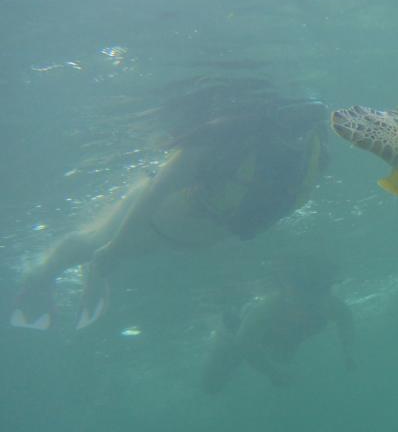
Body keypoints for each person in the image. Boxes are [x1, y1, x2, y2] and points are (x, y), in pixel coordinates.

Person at [11, 79, 329, 330]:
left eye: (308, 121)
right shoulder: (224, 139)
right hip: (154, 223)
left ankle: (87, 270)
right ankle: (36, 279)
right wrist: (114, 248)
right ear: (269, 115)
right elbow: (155, 191)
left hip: (185, 236)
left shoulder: (309, 157)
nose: (297, 132)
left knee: (103, 251)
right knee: (90, 242)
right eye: (291, 119)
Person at [201, 256, 354, 394]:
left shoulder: (329, 304)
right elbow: (243, 344)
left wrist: (348, 353)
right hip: (233, 333)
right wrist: (273, 373)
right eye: (306, 291)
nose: (310, 299)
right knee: (211, 386)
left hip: (278, 341)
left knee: (284, 359)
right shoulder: (267, 309)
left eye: (320, 290)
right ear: (289, 289)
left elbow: (345, 320)